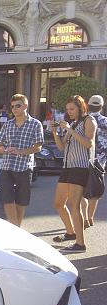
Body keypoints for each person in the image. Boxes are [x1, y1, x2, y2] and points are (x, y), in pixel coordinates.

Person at [51, 95, 97, 253]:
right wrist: (55, 132)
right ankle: (70, 233)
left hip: (81, 167)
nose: (69, 112)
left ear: (80, 107)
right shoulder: (73, 123)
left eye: (72, 109)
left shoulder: (88, 120)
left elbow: (88, 143)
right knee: (58, 203)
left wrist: (69, 129)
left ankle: (80, 244)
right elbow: (61, 147)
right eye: (67, 109)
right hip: (67, 168)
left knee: (74, 205)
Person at [0, 94, 43, 228]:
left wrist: (21, 152)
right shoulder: (8, 124)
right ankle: (15, 227)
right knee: (7, 199)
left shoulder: (35, 124)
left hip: (24, 166)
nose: (14, 109)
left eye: (18, 106)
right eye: (12, 106)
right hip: (7, 165)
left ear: (25, 106)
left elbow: (38, 147)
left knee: (21, 201)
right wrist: (1, 148)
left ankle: (17, 228)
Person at [82, 95, 107, 226]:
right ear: (101, 106)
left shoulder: (84, 120)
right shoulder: (105, 121)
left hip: (83, 158)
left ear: (88, 105)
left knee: (81, 190)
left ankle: (84, 217)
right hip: (100, 161)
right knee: (95, 191)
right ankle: (90, 217)